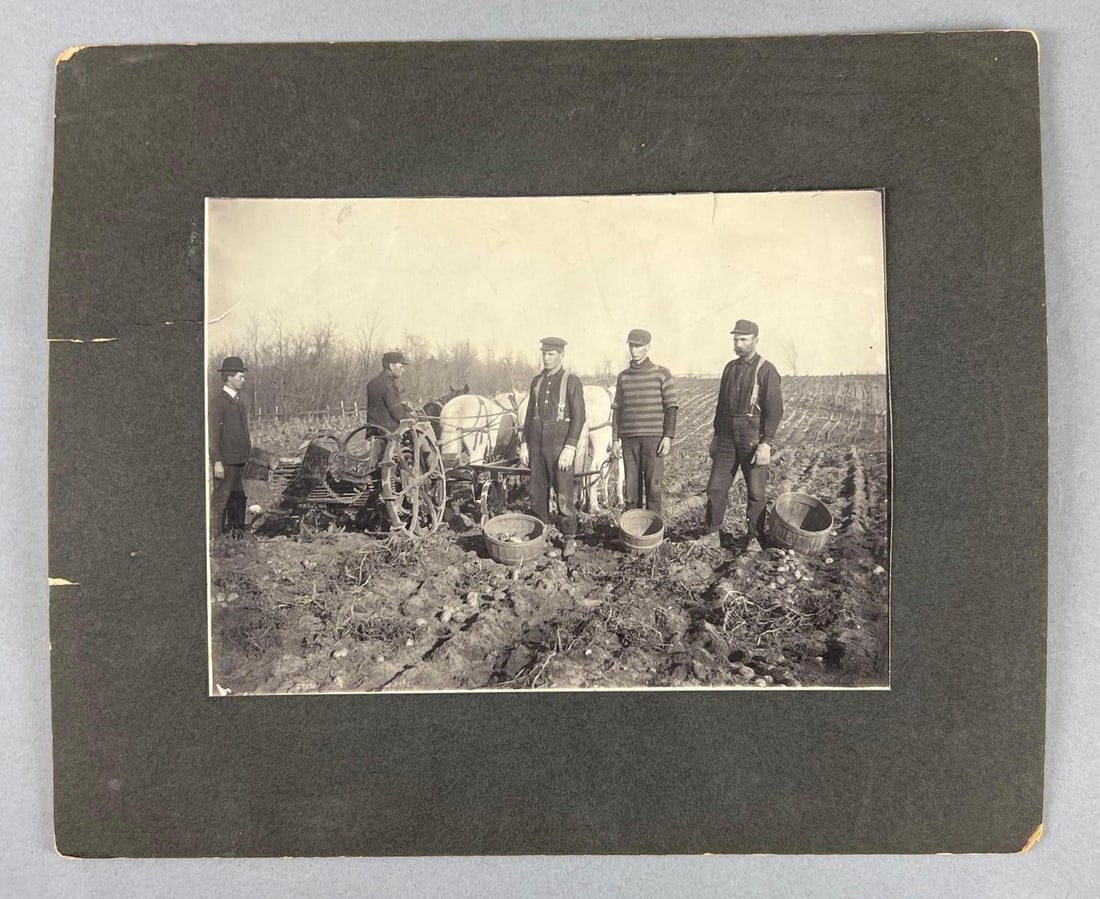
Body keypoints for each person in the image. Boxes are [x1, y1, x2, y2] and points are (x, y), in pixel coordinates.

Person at [700, 319, 783, 553]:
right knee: (716, 486)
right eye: (736, 339)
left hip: (752, 436)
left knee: (756, 491)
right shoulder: (729, 368)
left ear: (755, 341)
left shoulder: (766, 370)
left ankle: (754, 538)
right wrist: (716, 437)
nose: (738, 343)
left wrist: (766, 444)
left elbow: (774, 411)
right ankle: (712, 533)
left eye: (743, 339)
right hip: (726, 436)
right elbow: (720, 406)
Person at [519, 337, 587, 559]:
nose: (546, 358)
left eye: (551, 354)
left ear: (561, 355)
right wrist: (524, 444)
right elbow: (529, 416)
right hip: (537, 442)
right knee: (537, 493)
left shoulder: (572, 381)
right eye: (544, 353)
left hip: (559, 443)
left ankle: (569, 538)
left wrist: (570, 447)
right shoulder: (537, 381)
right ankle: (542, 535)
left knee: (563, 493)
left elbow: (579, 417)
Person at [610, 328, 678, 516]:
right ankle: (632, 529)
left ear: (648, 347)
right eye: (631, 345)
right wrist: (615, 439)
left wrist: (668, 436)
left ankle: (653, 530)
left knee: (653, 487)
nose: (634, 350)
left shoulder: (661, 373)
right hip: (629, 440)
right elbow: (617, 409)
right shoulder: (623, 376)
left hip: (653, 440)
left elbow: (671, 406)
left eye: (638, 346)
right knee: (631, 489)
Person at [209, 356, 252, 538]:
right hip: (226, 461)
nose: (243, 380)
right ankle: (215, 537)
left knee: (238, 498)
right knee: (221, 499)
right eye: (240, 376)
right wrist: (217, 461)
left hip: (240, 460)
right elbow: (212, 436)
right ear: (229, 377)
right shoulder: (217, 403)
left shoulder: (239, 402)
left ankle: (237, 535)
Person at [366, 351, 409, 431]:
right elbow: (398, 415)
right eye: (400, 367)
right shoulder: (389, 385)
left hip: (373, 430)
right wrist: (411, 415)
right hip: (388, 432)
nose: (403, 370)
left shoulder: (372, 383)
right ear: (392, 366)